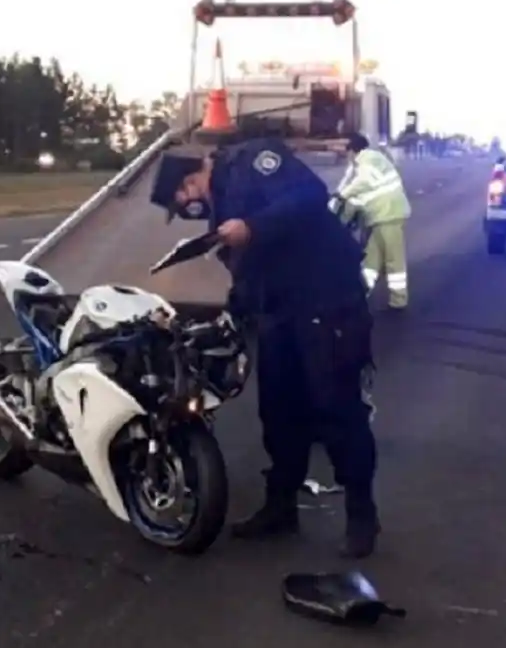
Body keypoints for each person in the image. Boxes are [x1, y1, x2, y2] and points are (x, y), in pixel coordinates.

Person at [149, 137, 380, 558]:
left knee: (336, 409)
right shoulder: (221, 203)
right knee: (279, 412)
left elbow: (310, 195)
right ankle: (280, 507)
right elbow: (250, 268)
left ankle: (362, 514)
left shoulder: (253, 163)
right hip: (279, 313)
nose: (186, 204)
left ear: (190, 175)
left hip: (327, 303)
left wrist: (253, 227)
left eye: (181, 195)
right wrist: (232, 314)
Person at [331, 133, 412, 309]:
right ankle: (362, 291)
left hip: (389, 214)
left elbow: (363, 183)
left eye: (347, 152)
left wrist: (342, 194)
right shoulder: (364, 165)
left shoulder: (370, 159)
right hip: (379, 216)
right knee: (371, 258)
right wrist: (338, 220)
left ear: (353, 151)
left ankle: (399, 299)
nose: (347, 157)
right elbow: (358, 199)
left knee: (393, 258)